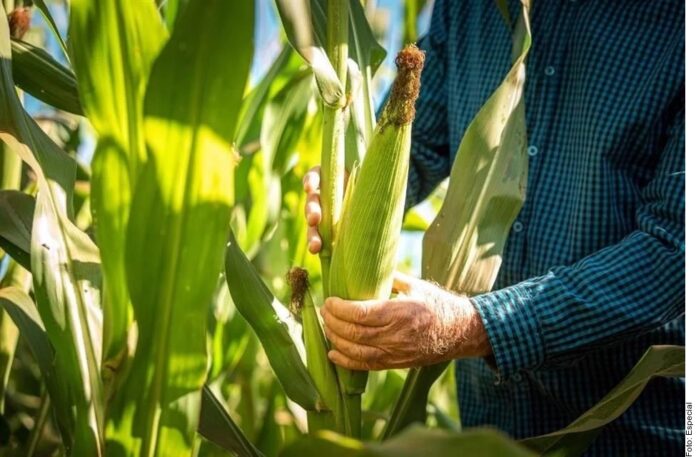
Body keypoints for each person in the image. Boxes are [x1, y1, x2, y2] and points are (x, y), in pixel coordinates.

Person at [303, 1, 685, 455]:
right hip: (489, 433)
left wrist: (473, 325)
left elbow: (675, 252)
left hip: (635, 434)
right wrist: (347, 191)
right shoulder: (468, 9)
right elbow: (417, 147)